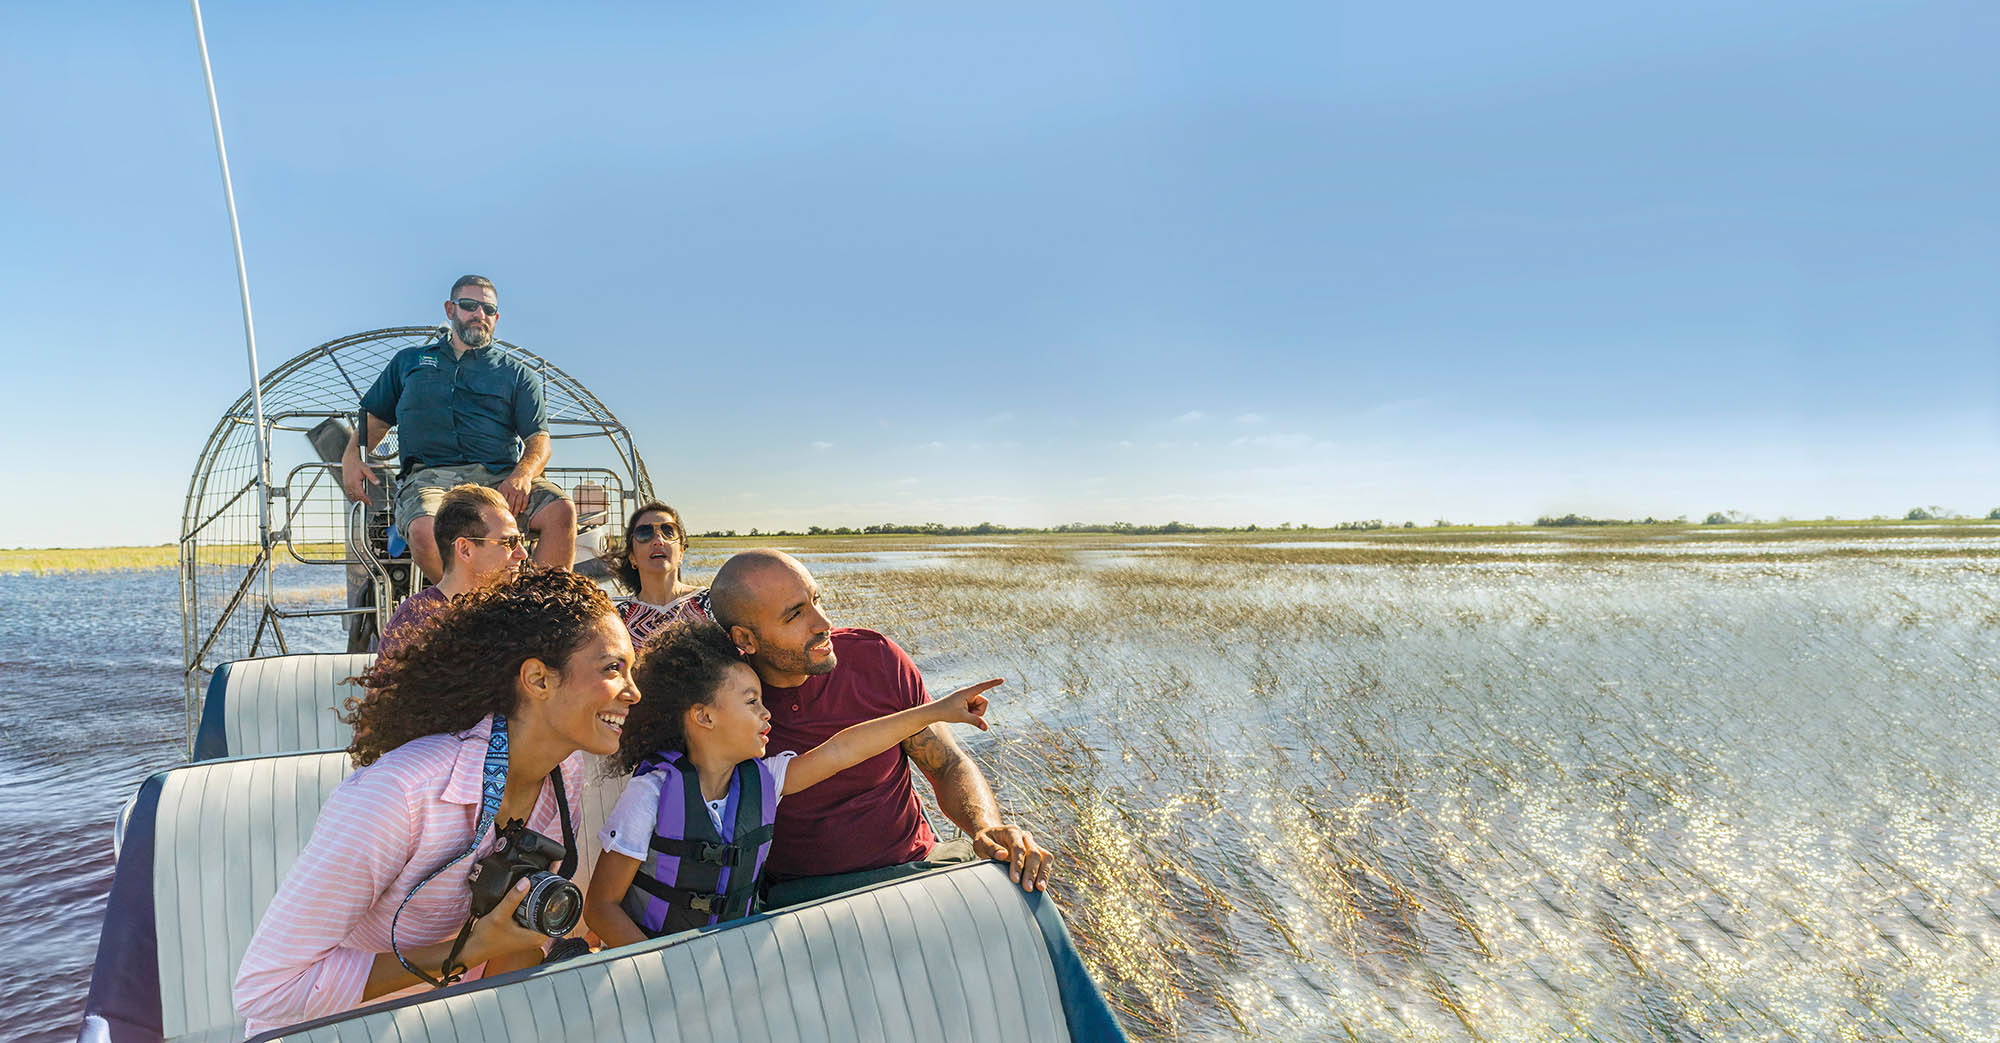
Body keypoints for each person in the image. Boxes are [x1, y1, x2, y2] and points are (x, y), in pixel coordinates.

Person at [233, 568, 638, 1036]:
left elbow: (512, 940)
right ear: (537, 679)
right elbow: (267, 989)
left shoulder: (562, 772)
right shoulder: (399, 795)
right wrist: (464, 951)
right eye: (613, 669)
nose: (634, 692)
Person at [583, 620, 1001, 944]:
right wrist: (663, 971)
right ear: (704, 716)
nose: (768, 715)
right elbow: (601, 907)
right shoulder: (650, 794)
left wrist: (935, 711)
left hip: (732, 950)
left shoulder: (766, 779)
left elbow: (846, 748)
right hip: (659, 960)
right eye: (752, 703)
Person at [706, 549, 1053, 904]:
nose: (823, 622)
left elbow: (947, 764)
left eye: (816, 600)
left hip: (916, 867)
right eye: (795, 614)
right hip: (801, 900)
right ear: (745, 640)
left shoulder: (877, 658)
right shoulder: (723, 702)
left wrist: (985, 826)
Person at [339, 274, 577, 584]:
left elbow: (538, 440)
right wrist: (351, 458)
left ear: (496, 317)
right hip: (429, 479)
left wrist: (522, 475)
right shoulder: (408, 363)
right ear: (451, 309)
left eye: (488, 310)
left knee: (561, 511)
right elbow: (377, 419)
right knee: (425, 529)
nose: (479, 315)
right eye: (469, 306)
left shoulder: (517, 374)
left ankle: (544, 613)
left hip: (499, 480)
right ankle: (464, 615)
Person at [376, 484, 529, 658]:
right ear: (465, 549)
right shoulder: (414, 625)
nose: (522, 553)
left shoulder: (515, 616)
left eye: (521, 540)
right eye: (509, 542)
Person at [605, 502, 710, 643]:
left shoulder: (713, 603)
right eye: (644, 534)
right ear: (632, 557)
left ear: (681, 553)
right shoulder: (618, 620)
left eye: (668, 531)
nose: (658, 541)